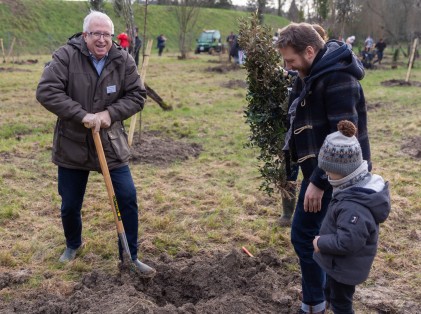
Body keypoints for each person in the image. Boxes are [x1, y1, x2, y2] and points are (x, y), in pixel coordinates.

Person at [36, 10, 156, 277]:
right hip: (73, 143)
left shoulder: (122, 59)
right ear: (85, 35)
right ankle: (73, 244)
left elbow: (137, 95)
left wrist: (108, 115)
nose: (102, 40)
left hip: (110, 143)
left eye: (107, 34)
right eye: (96, 34)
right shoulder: (66, 56)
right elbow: (46, 91)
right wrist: (83, 115)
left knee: (126, 197)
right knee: (70, 203)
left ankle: (129, 255)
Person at [277, 22, 371, 314]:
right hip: (323, 173)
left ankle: (318, 302)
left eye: (291, 60)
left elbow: (344, 138)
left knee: (305, 234)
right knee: (317, 235)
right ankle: (318, 300)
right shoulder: (309, 74)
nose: (288, 66)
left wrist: (317, 182)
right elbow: (298, 116)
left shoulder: (339, 79)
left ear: (309, 51)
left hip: (340, 177)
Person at [313, 120, 390, 314]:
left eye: (330, 171)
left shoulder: (354, 205)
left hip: (345, 269)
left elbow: (347, 241)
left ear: (345, 171)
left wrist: (321, 242)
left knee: (341, 305)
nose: (327, 175)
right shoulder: (348, 189)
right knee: (331, 294)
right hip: (337, 265)